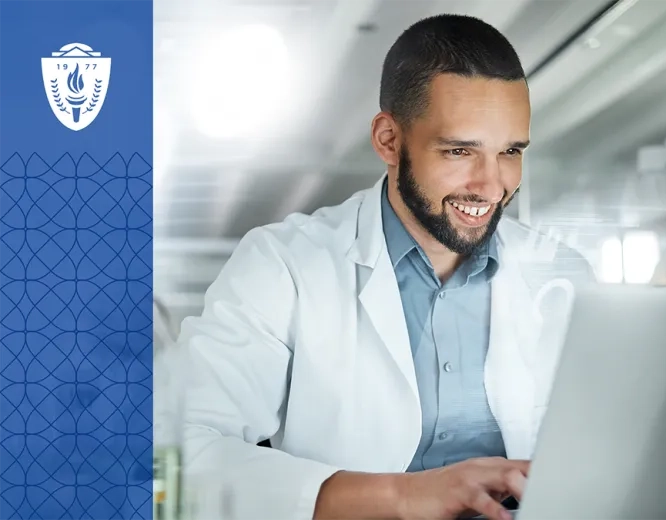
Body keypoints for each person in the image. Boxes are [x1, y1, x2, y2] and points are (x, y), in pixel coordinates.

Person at [178, 14, 595, 520]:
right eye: (460, 150)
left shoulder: (563, 276)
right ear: (389, 141)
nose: (491, 185)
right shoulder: (282, 265)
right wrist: (403, 497)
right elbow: (179, 454)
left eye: (510, 151)